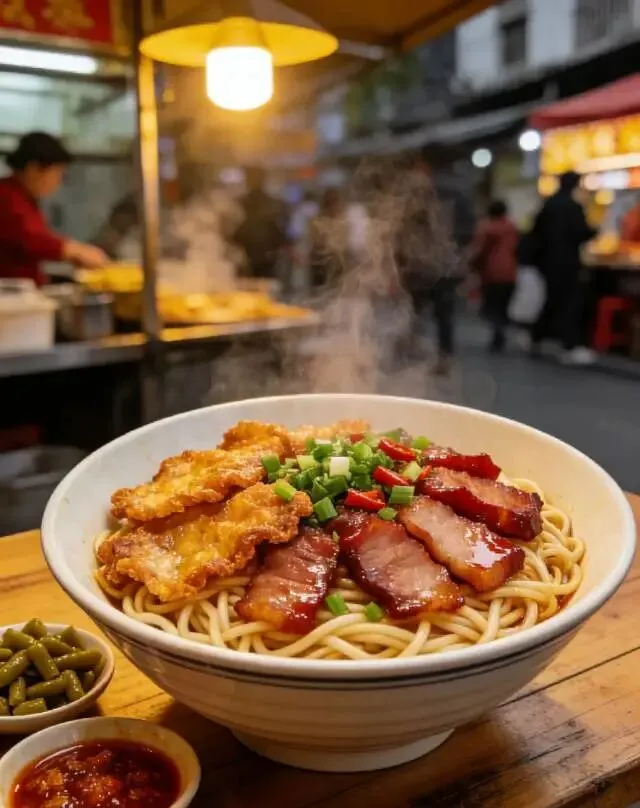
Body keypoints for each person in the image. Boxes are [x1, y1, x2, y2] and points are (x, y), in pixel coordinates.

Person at [398, 148, 475, 374]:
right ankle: (444, 357)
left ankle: (411, 351)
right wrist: (462, 258)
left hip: (420, 263)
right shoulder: (461, 190)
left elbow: (405, 228)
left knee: (414, 309)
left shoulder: (420, 190)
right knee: (445, 314)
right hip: (448, 265)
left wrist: (402, 258)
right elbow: (468, 231)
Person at [0, 132, 107, 285]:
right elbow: (30, 238)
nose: (58, 182)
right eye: (57, 174)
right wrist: (73, 250)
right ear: (33, 169)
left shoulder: (24, 197)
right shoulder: (6, 196)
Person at [530, 171, 597, 365]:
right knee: (569, 303)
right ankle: (569, 345)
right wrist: (595, 231)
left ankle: (537, 338)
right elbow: (581, 232)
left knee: (552, 300)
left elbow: (536, 233)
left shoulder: (549, 205)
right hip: (567, 261)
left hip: (547, 261)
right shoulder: (573, 207)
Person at [471, 199, 520, 352]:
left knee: (492, 305)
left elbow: (480, 250)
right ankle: (501, 329)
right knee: (503, 305)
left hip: (492, 272)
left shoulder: (487, 228)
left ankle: (498, 332)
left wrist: (473, 265)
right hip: (510, 272)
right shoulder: (512, 227)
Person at [234, 166, 288, 279]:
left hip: (248, 259)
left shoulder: (239, 204)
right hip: (265, 259)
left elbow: (234, 233)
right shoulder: (275, 204)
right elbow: (280, 233)